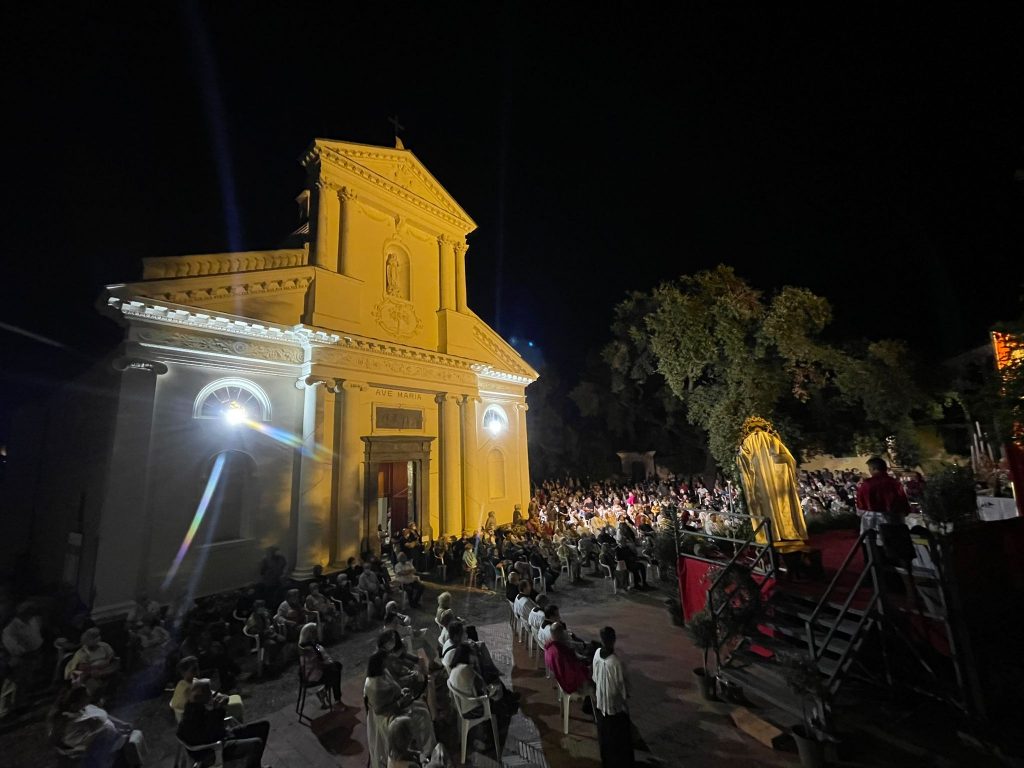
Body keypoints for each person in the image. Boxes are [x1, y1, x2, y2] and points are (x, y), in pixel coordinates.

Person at [178, 679, 270, 768]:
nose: (212, 695)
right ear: (201, 697)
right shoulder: (194, 715)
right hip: (214, 749)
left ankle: (256, 765)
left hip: (223, 737)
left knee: (263, 726)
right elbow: (213, 734)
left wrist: (219, 707)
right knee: (256, 743)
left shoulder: (196, 706)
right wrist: (218, 710)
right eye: (209, 693)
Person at [363, 650, 436, 758]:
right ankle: (427, 751)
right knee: (422, 716)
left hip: (398, 705)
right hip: (389, 715)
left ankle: (427, 745)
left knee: (423, 707)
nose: (387, 662)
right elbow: (380, 709)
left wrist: (402, 693)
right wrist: (400, 701)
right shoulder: (375, 685)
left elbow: (392, 689)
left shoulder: (383, 672)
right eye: (385, 660)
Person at [48, 684, 139, 768]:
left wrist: (121, 724)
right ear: (76, 702)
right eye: (86, 697)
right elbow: (82, 744)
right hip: (100, 752)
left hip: (113, 741)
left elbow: (104, 715)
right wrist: (109, 733)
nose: (89, 698)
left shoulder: (86, 707)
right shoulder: (70, 724)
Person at [592, 626, 633, 767]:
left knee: (604, 735)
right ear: (614, 640)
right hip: (614, 705)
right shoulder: (616, 662)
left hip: (601, 701)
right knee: (618, 737)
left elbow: (595, 676)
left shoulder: (597, 654)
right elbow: (623, 686)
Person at [171, 656, 244, 723]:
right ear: (183, 673)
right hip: (200, 720)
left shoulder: (189, 682)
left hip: (201, 714)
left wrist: (219, 696)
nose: (197, 672)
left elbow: (208, 697)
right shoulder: (187, 688)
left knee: (235, 699)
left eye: (197, 668)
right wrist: (218, 702)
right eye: (194, 670)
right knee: (237, 704)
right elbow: (201, 708)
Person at [1, 601, 43, 712]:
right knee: (16, 683)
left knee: (28, 680)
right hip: (20, 658)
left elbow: (37, 636)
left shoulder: (34, 621)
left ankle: (23, 702)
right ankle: (11, 707)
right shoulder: (11, 628)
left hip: (34, 654)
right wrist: (23, 653)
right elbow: (11, 644)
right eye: (28, 612)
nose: (30, 614)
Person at [64, 627, 120, 698]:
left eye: (96, 636)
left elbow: (113, 659)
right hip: (88, 675)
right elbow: (82, 669)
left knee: (116, 677)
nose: (97, 639)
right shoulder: (81, 653)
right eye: (93, 637)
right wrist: (94, 671)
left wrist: (105, 670)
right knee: (94, 686)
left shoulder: (104, 646)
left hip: (105, 669)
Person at [298, 622, 343, 708]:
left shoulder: (303, 646)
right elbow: (320, 663)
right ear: (310, 634)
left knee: (336, 666)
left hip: (307, 674)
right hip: (314, 675)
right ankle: (336, 698)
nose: (317, 633)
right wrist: (329, 663)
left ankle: (324, 691)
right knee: (336, 669)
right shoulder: (310, 648)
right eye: (315, 632)